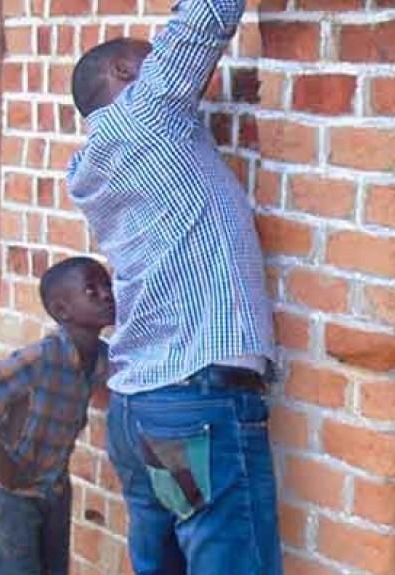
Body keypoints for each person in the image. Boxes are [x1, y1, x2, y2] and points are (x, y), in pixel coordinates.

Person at [65, 0, 281, 573]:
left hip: (150, 410)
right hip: (194, 407)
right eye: (149, 57)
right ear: (125, 73)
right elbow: (207, 15)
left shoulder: (97, 162)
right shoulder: (146, 116)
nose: (163, 64)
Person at [0, 257, 115, 575]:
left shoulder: (100, 357)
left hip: (54, 488)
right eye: (91, 290)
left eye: (107, 285)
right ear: (62, 310)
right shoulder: (41, 358)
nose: (106, 294)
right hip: (13, 492)